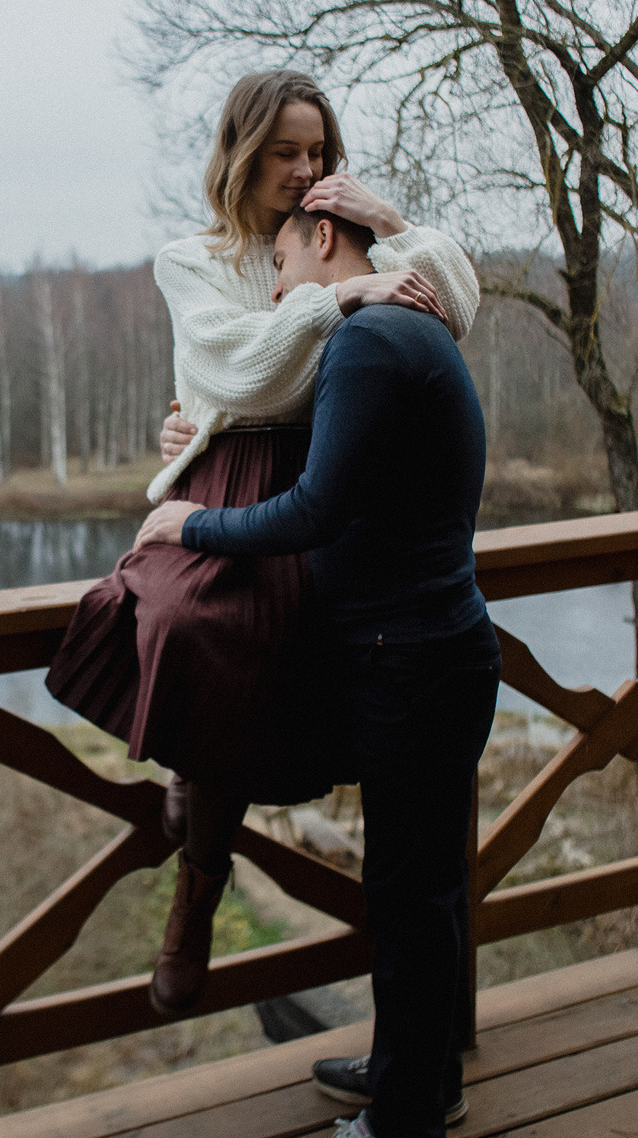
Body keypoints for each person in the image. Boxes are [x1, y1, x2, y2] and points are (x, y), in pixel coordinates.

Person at [43, 69, 481, 1018]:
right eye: (286, 150)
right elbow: (240, 373)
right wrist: (346, 302)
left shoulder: (340, 240)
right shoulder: (191, 259)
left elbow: (457, 309)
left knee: (304, 654)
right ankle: (197, 891)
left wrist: (390, 223)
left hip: (320, 484)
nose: (306, 168)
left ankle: (197, 791)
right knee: (200, 627)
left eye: (318, 151)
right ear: (243, 153)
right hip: (229, 482)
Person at [134, 203, 500, 1138]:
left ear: (326, 239)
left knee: (410, 900)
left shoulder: (370, 340)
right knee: (418, 887)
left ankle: (405, 1116)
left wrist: (191, 524)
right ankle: (404, 1069)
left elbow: (312, 511)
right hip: (433, 649)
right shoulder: (403, 328)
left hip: (411, 660)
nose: (279, 285)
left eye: (285, 260)